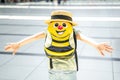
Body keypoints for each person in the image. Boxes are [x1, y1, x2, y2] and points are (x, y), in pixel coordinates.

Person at [4, 10, 113, 80]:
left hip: (53, 68)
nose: (60, 27)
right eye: (57, 24)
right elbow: (83, 38)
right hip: (69, 68)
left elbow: (35, 37)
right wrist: (96, 45)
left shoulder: (48, 31)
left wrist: (19, 44)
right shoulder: (73, 31)